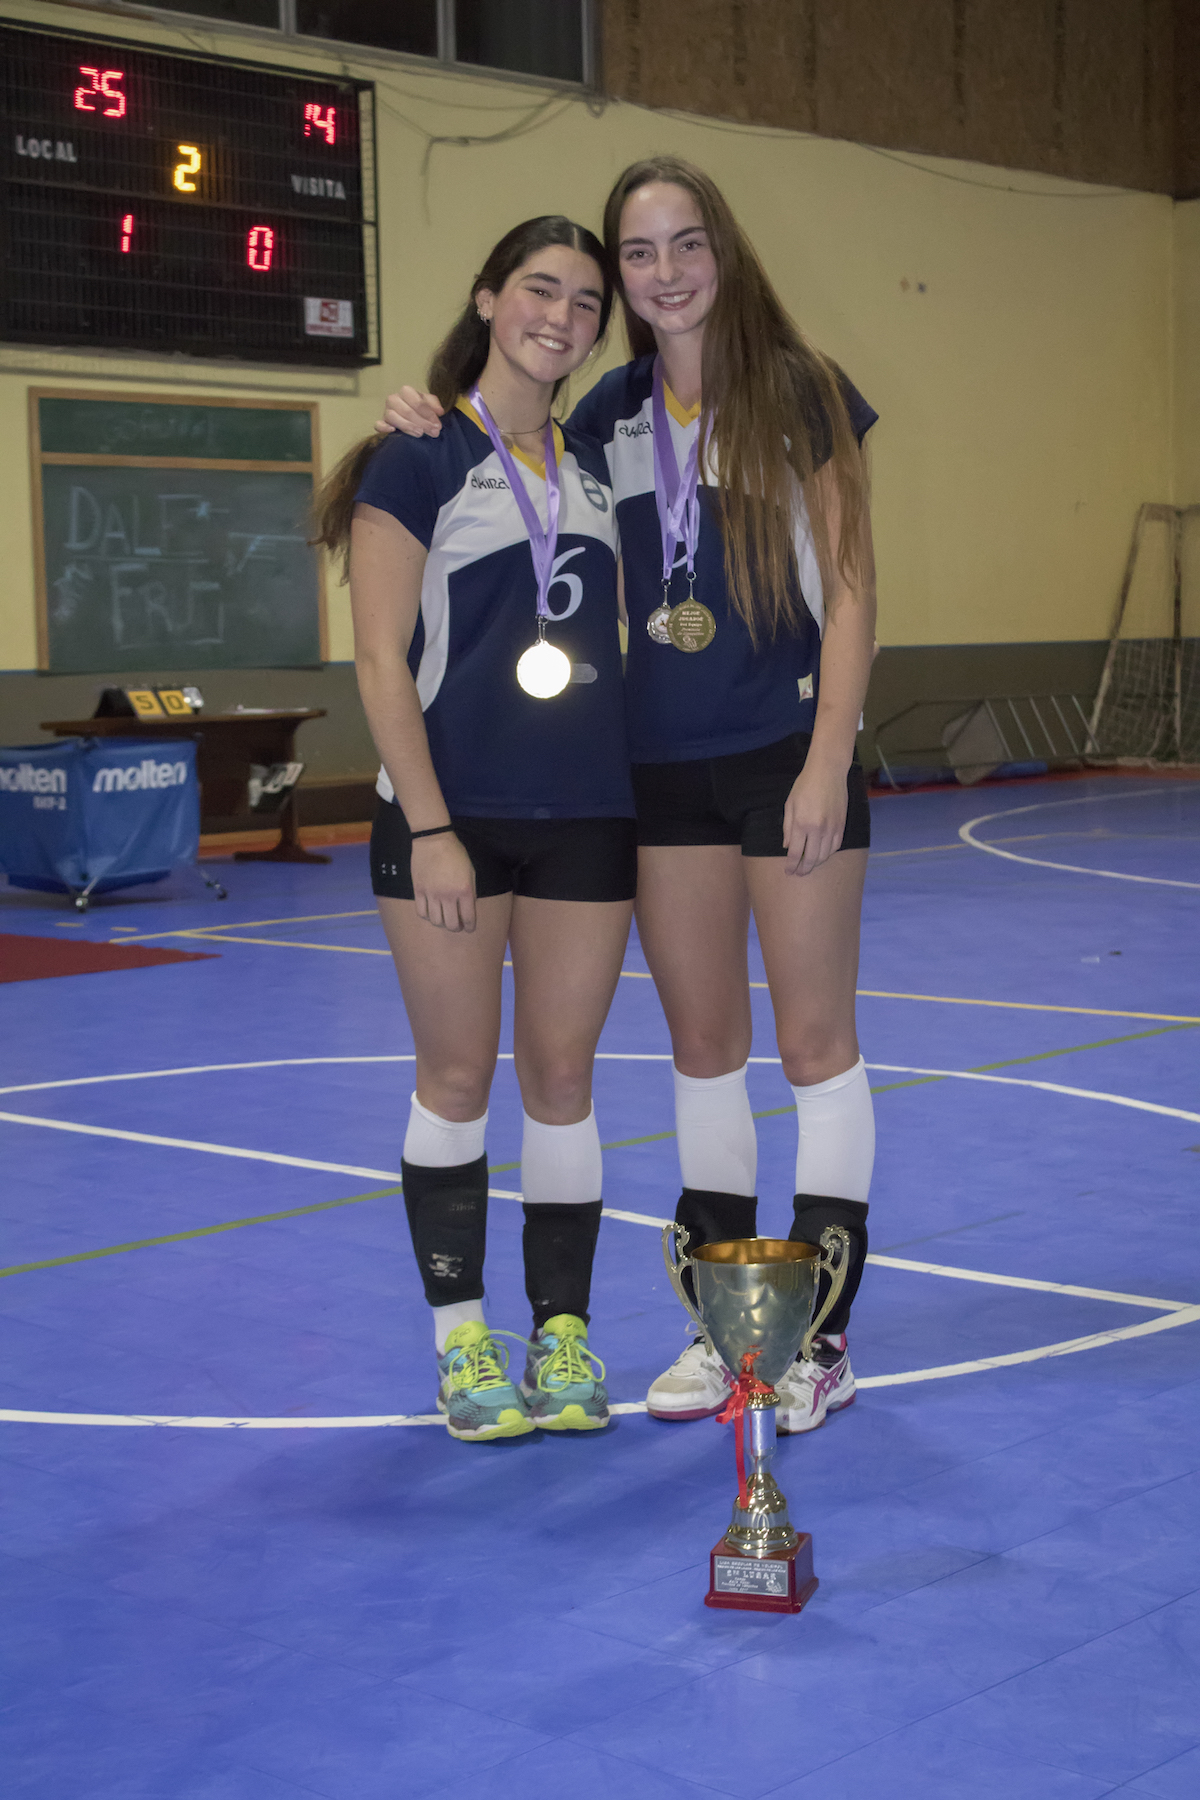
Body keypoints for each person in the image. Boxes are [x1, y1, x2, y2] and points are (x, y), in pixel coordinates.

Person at [378, 157, 878, 1437]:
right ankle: (729, 1329)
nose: (665, 274)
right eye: (639, 254)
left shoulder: (803, 391)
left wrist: (829, 758)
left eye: (685, 244)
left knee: (814, 1047)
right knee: (702, 1050)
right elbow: (508, 445)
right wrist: (421, 409)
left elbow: (854, 589)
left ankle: (818, 1341)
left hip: (784, 758)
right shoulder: (606, 413)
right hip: (653, 777)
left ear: (724, 250)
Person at [313, 216, 635, 1442]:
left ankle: (563, 1335)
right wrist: (433, 824)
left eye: (586, 301)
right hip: (448, 820)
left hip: (587, 817)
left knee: (563, 1081)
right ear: (490, 299)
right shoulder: (418, 456)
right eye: (540, 290)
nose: (563, 316)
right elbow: (379, 661)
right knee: (455, 1077)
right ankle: (462, 1344)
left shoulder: (597, 459)